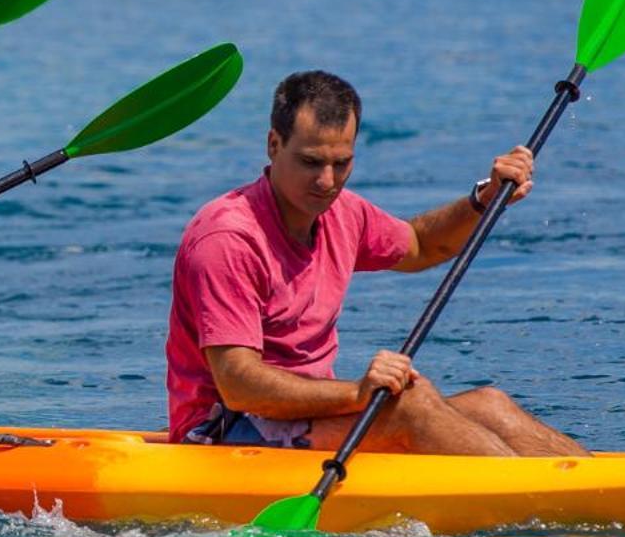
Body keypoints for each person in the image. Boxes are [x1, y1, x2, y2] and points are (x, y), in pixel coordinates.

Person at [167, 69, 589, 457]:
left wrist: (483, 198)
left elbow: (422, 245)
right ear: (274, 145)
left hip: (301, 418)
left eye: (341, 163)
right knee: (412, 407)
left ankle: (596, 494)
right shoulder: (228, 238)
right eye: (311, 162)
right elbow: (237, 384)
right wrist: (356, 395)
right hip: (223, 431)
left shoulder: (342, 213)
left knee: (491, 405)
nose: (327, 182)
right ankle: (541, 507)